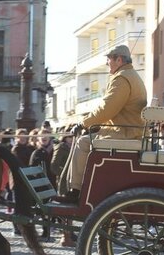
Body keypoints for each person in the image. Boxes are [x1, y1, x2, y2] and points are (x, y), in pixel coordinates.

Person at [59, 45, 147, 203]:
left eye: (109, 59)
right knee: (88, 138)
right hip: (132, 131)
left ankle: (76, 191)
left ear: (119, 59)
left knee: (83, 142)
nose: (107, 63)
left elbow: (107, 109)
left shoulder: (122, 78)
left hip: (126, 134)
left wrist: (83, 123)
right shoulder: (132, 76)